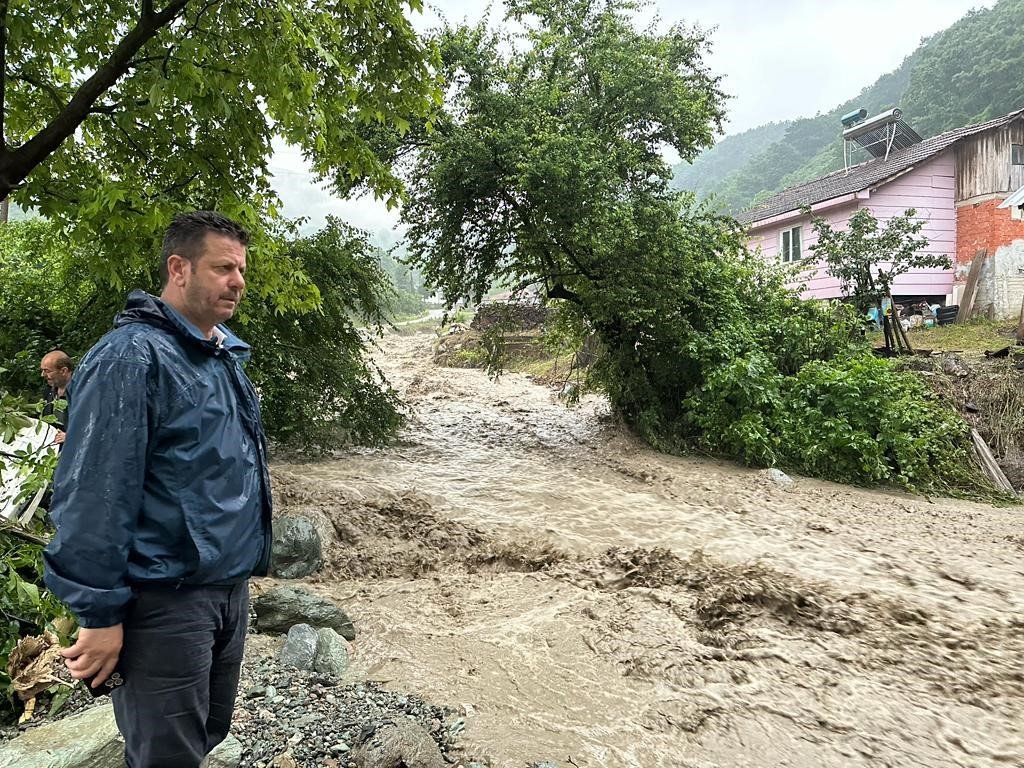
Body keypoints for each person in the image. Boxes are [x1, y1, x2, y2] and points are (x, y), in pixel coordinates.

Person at [43, 211, 273, 768]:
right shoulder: (132, 357)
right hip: (163, 601)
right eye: (223, 268)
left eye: (240, 269)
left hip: (224, 591)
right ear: (179, 268)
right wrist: (98, 616)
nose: (238, 281)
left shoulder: (220, 356)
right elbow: (94, 494)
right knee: (164, 755)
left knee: (203, 736)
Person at [39, 350, 74, 444]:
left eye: (47, 371)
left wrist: (71, 436)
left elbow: (93, 423)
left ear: (63, 371)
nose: (42, 375)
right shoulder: (49, 391)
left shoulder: (82, 393)